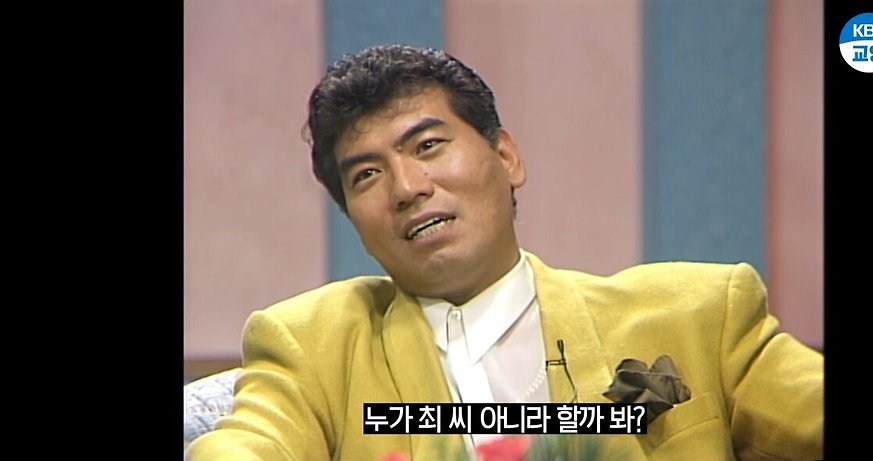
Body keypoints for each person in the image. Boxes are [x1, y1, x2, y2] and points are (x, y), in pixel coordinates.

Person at [186, 44, 823, 461]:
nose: (407, 188)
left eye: (428, 146)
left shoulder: (699, 315)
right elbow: (247, 446)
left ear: (506, 157)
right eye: (367, 175)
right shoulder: (314, 346)